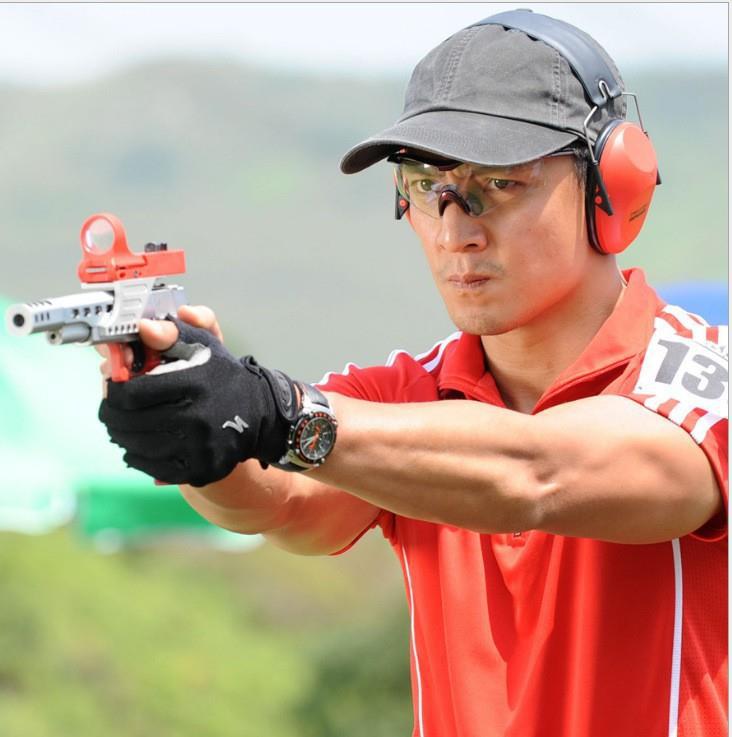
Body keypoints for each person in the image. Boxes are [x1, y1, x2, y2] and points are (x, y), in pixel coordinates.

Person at [98, 9, 727, 737]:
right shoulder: (405, 398)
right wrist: (195, 428)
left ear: (611, 184)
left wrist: (280, 413)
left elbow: (538, 474)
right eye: (428, 185)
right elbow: (282, 504)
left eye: (500, 182)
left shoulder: (702, 378)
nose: (456, 230)